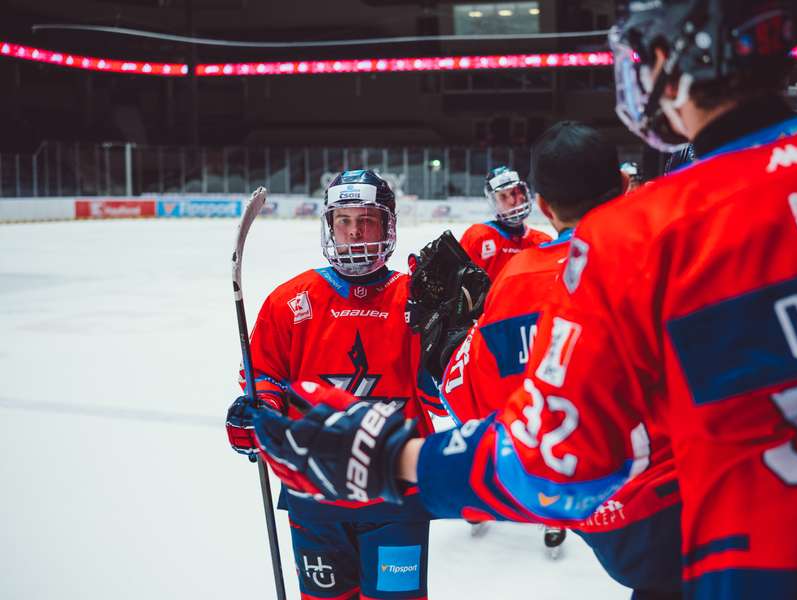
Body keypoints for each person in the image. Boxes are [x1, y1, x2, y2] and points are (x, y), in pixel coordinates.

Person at [252, 1, 797, 598]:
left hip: (744, 567)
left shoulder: (636, 239)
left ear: (680, 64)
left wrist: (394, 457)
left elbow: (555, 460)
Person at [437, 121, 682, 592]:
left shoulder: (516, 279)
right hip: (702, 494)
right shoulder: (667, 248)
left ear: (543, 205)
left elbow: (474, 405)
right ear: (626, 184)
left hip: (601, 504)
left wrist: (453, 348)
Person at [225, 169, 443, 600]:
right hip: (313, 493)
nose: (355, 231)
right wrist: (257, 415)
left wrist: (453, 334)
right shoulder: (290, 301)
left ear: (389, 224)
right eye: (343, 220)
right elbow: (265, 378)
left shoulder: (415, 300)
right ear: (329, 226)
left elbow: (441, 396)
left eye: (367, 219)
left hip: (395, 492)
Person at [459, 166, 551, 280]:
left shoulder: (543, 242)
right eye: (503, 196)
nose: (512, 201)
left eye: (514, 192)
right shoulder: (478, 237)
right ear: (494, 202)